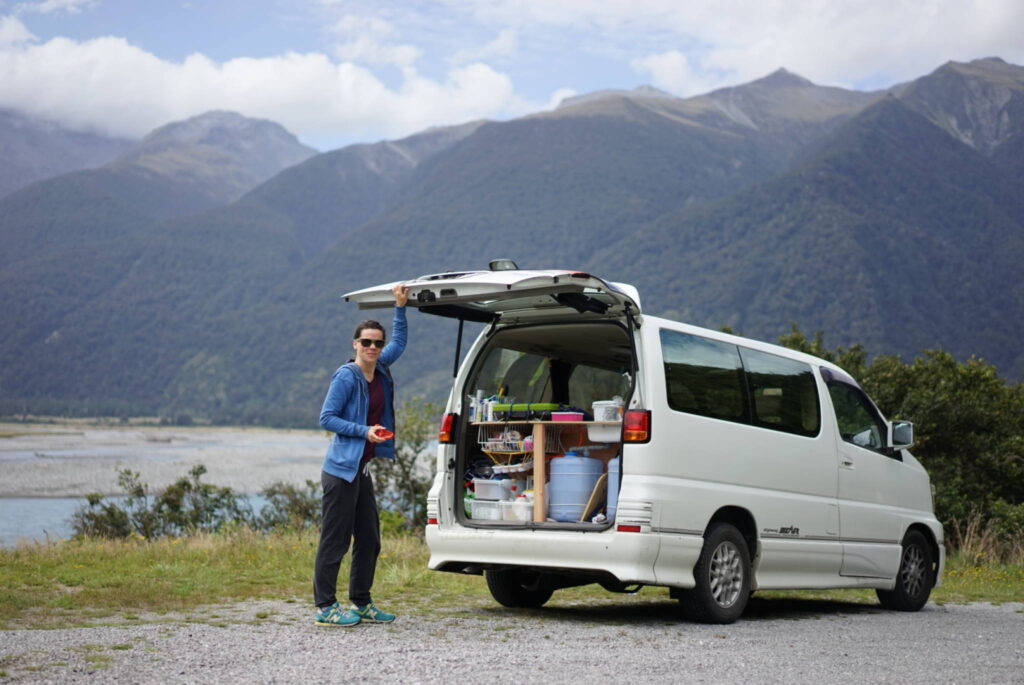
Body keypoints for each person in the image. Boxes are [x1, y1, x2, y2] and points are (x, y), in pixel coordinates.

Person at [313, 282, 409, 627]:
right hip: (340, 471)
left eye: (377, 343)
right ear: (355, 344)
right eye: (366, 342)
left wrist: (400, 307)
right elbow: (327, 418)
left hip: (361, 469)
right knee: (335, 540)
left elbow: (399, 343)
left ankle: (361, 602)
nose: (372, 347)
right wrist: (364, 430)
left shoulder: (380, 368)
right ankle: (325, 607)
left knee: (369, 539)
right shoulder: (346, 377)